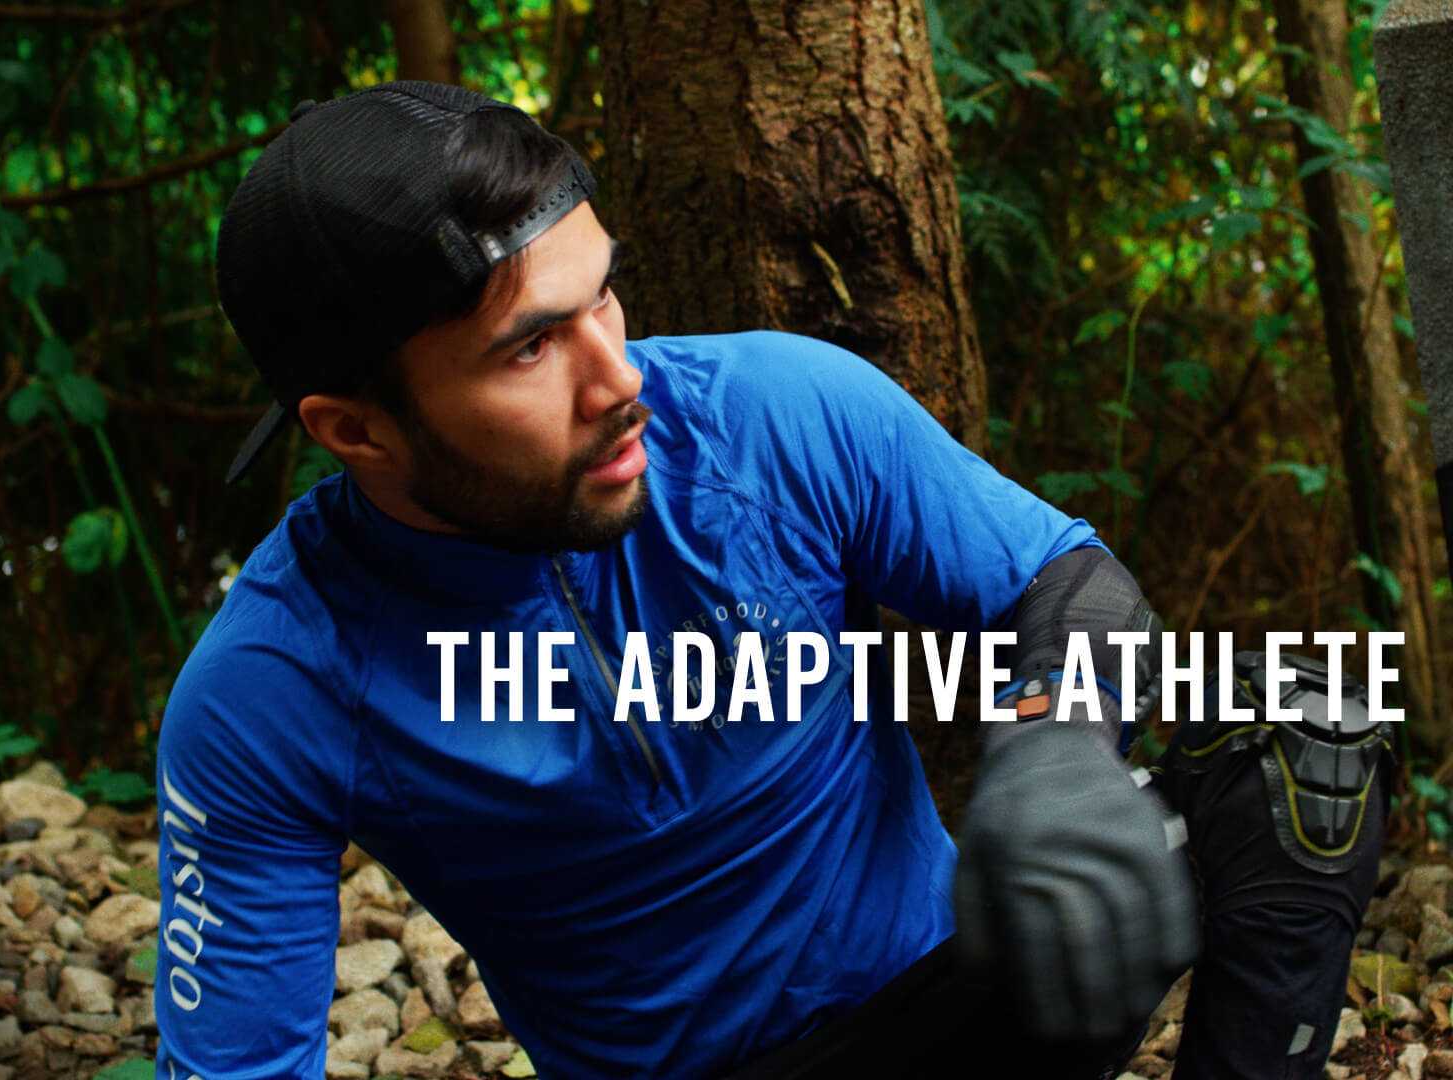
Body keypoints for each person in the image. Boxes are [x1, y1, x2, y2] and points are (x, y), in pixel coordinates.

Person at [155, 80, 1388, 1079]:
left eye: (603, 299)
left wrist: (1055, 744)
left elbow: (1064, 576)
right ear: (356, 431)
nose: (617, 375)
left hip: (966, 1008)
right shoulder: (275, 684)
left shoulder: (771, 415)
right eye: (532, 347)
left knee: (1307, 747)